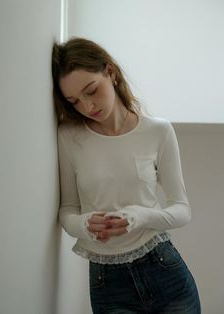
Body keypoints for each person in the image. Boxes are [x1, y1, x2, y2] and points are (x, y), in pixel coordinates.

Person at [52, 37, 201, 314]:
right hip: (107, 284)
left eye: (91, 90)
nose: (87, 107)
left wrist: (138, 215)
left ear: (110, 72)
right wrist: (84, 224)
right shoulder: (69, 137)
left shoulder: (158, 131)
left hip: (165, 272)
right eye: (74, 101)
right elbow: (67, 210)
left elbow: (182, 210)